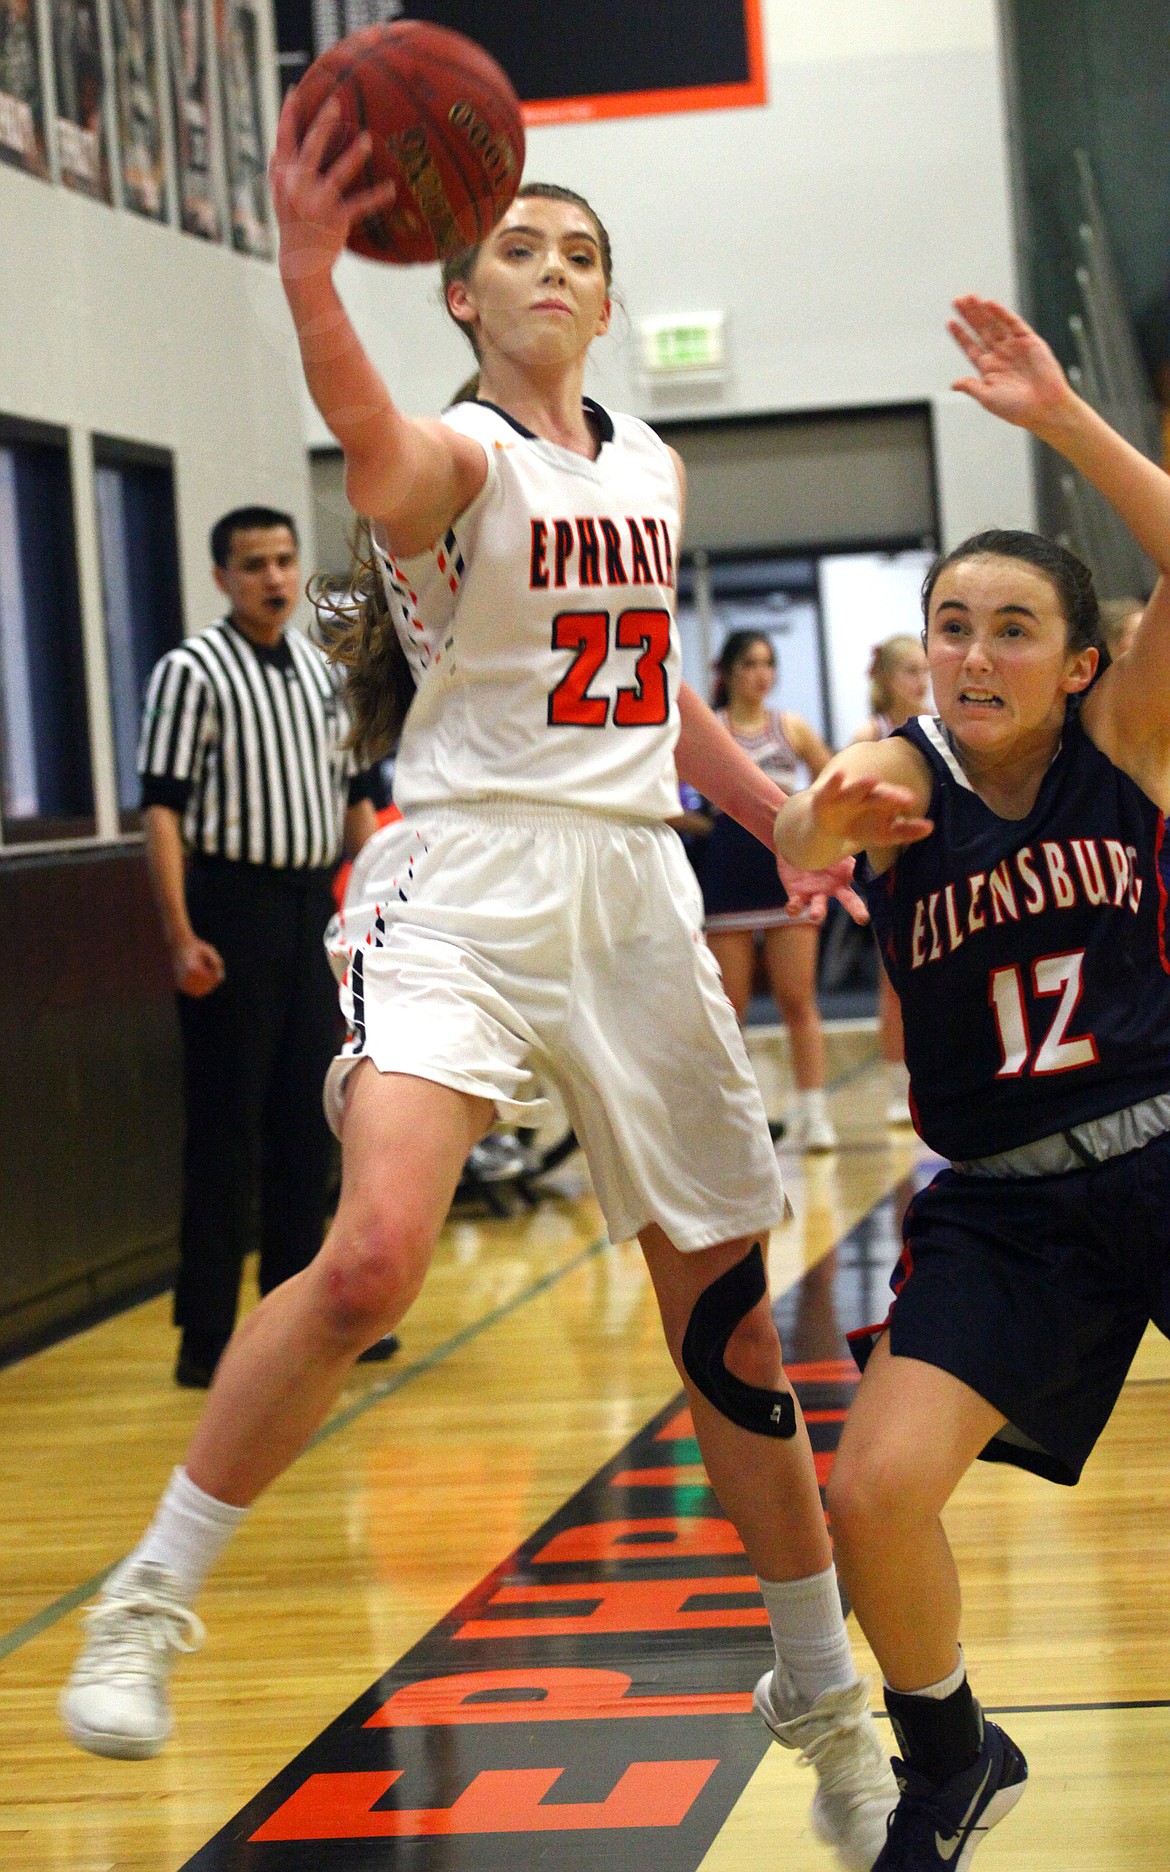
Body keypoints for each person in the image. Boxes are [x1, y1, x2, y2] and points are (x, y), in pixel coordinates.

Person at [60, 92, 904, 1869]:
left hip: (634, 887)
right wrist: (306, 274)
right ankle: (151, 1591)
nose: (554, 267)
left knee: (726, 1327)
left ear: (606, 302)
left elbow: (649, 683)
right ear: (460, 292)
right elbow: (359, 428)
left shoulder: (652, 466)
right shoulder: (449, 459)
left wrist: (764, 804)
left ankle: (822, 1684)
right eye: (520, 245)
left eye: (582, 252)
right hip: (460, 876)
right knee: (369, 1256)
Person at [774, 293, 1170, 1868]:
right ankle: (950, 1756)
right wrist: (813, 828)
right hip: (1002, 1209)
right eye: (952, 626)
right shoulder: (899, 776)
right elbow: (819, 824)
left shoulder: (1127, 746)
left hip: (1157, 1147)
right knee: (870, 1493)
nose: (976, 652)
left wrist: (1065, 419)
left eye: (1014, 629)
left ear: (1081, 664)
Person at [135, 505, 384, 1387]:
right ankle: (205, 1335)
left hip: (312, 907)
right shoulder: (191, 671)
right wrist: (180, 933)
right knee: (226, 1128)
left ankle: (300, 1315)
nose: (275, 578)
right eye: (253, 565)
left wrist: (389, 905)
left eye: (284, 560)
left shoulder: (326, 671)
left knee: (307, 1122)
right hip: (230, 907)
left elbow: (358, 798)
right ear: (221, 577)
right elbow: (161, 808)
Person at [698, 630, 838, 1149]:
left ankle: (814, 1112)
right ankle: (737, 1118)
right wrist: (708, 825)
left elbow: (834, 783)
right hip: (728, 875)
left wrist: (802, 810)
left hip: (786, 871)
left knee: (797, 998)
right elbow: (669, 797)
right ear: (728, 671)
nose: (762, 674)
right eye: (751, 663)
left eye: (769, 663)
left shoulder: (792, 728)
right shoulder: (710, 728)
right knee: (728, 1008)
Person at [852, 635, 931, 1127]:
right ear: (885, 679)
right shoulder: (868, 737)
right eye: (910, 671)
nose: (921, 681)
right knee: (894, 982)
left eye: (925, 670)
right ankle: (895, 1084)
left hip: (938, 857)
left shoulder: (940, 729)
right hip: (891, 867)